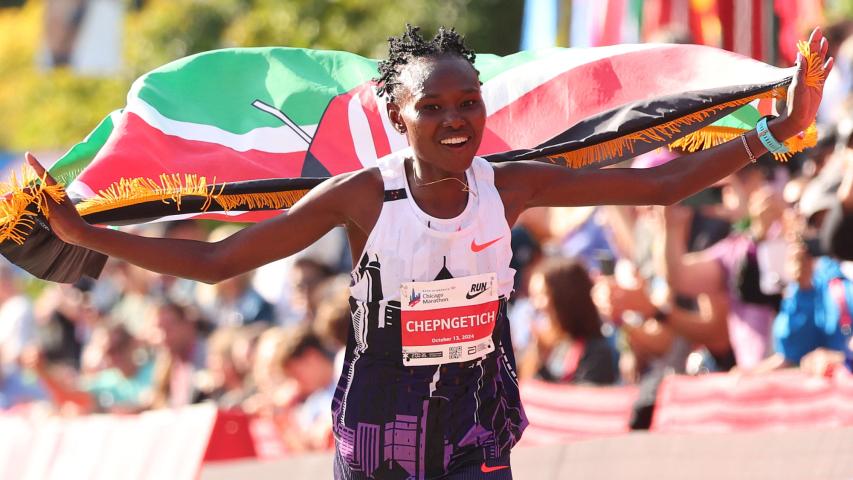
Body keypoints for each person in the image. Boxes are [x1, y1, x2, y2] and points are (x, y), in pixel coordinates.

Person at [28, 25, 831, 479]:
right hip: (383, 421)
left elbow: (659, 187)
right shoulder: (358, 197)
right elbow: (216, 263)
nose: (457, 121)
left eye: (469, 103)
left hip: (476, 409)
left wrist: (775, 132)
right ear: (395, 115)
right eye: (433, 107)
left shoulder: (508, 183)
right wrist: (87, 235)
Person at [520, 257, 618, 385]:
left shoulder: (597, 353)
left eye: (542, 295)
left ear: (566, 299)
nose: (536, 305)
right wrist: (538, 357)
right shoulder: (554, 346)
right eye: (533, 296)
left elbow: (578, 401)